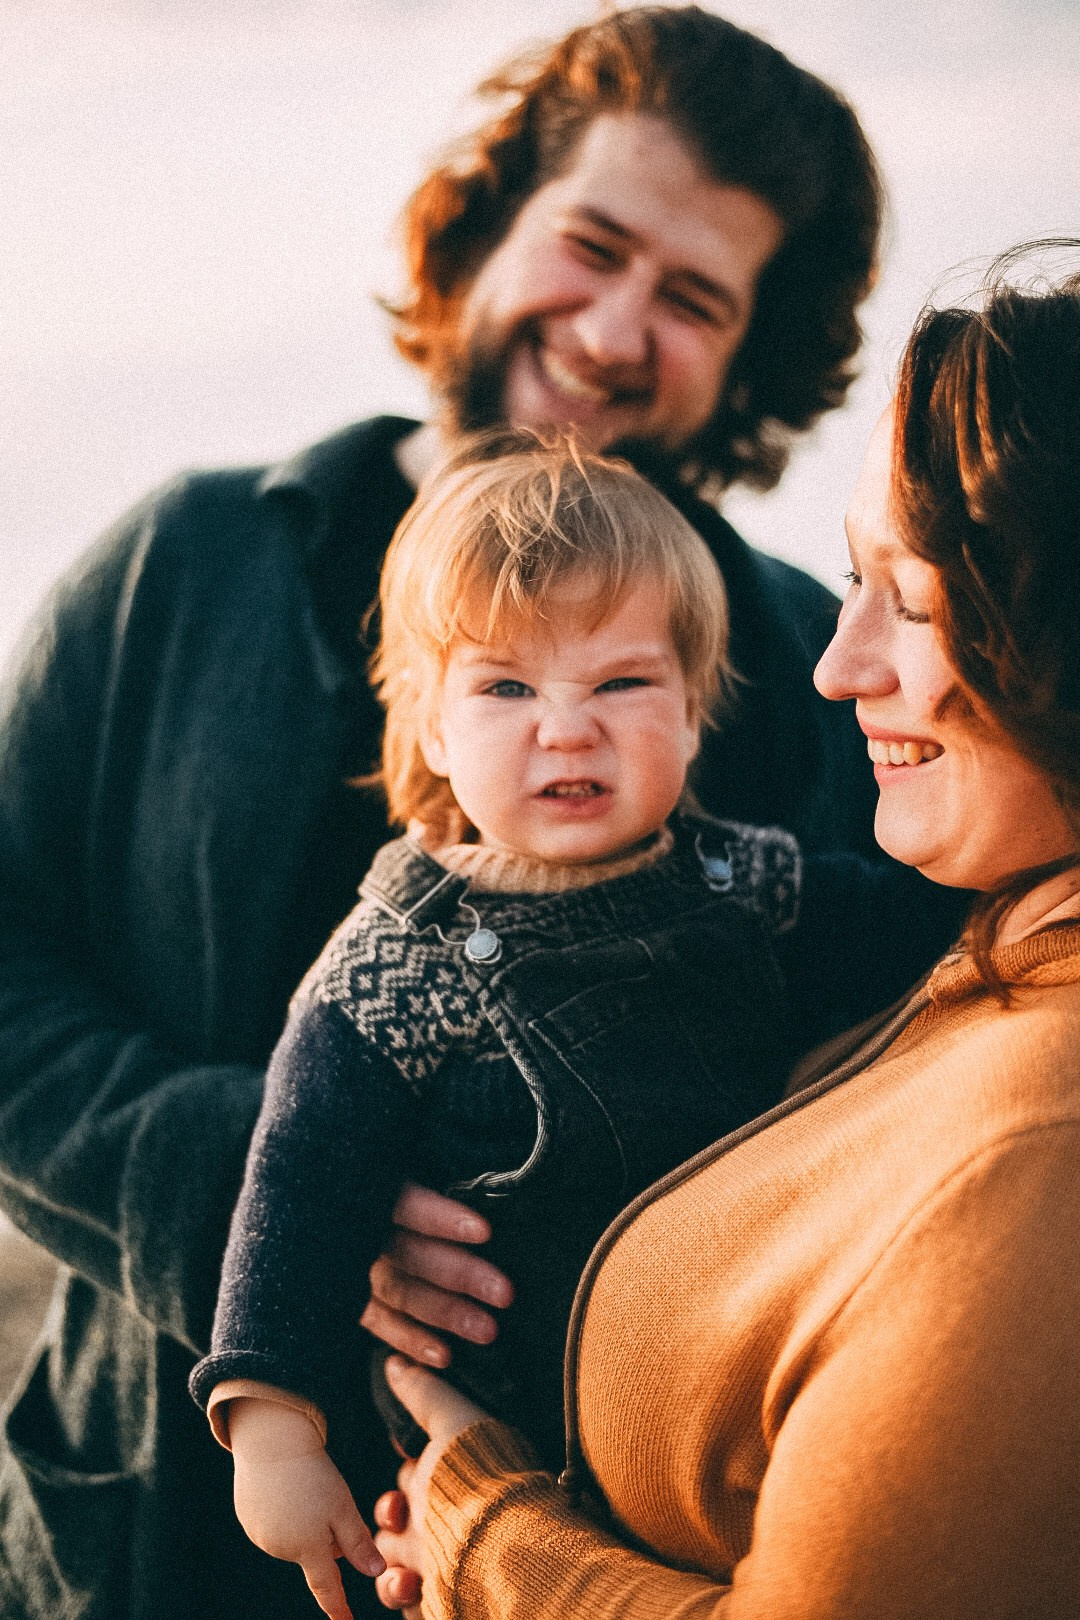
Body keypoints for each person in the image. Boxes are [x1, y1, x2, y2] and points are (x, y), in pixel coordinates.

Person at [0, 10, 944, 1620]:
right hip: (145, 1541)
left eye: (694, 298)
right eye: (591, 244)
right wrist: (269, 1179)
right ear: (485, 225)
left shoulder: (806, 661)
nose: (613, 327)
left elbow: (897, 1063)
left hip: (597, 1543)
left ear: (748, 357)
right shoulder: (180, 564)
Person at [368, 252, 1080, 1620]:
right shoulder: (987, 945)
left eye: (912, 601)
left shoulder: (1045, 1154)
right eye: (847, 581)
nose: (835, 666)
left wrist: (481, 1529)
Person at [188, 434, 811, 1620]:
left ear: (692, 712)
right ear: (430, 728)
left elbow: (934, 936)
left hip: (733, 1412)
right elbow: (302, 1181)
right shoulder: (397, 957)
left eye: (621, 684)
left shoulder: (747, 885)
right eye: (507, 687)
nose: (567, 729)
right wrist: (272, 1425)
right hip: (509, 1439)